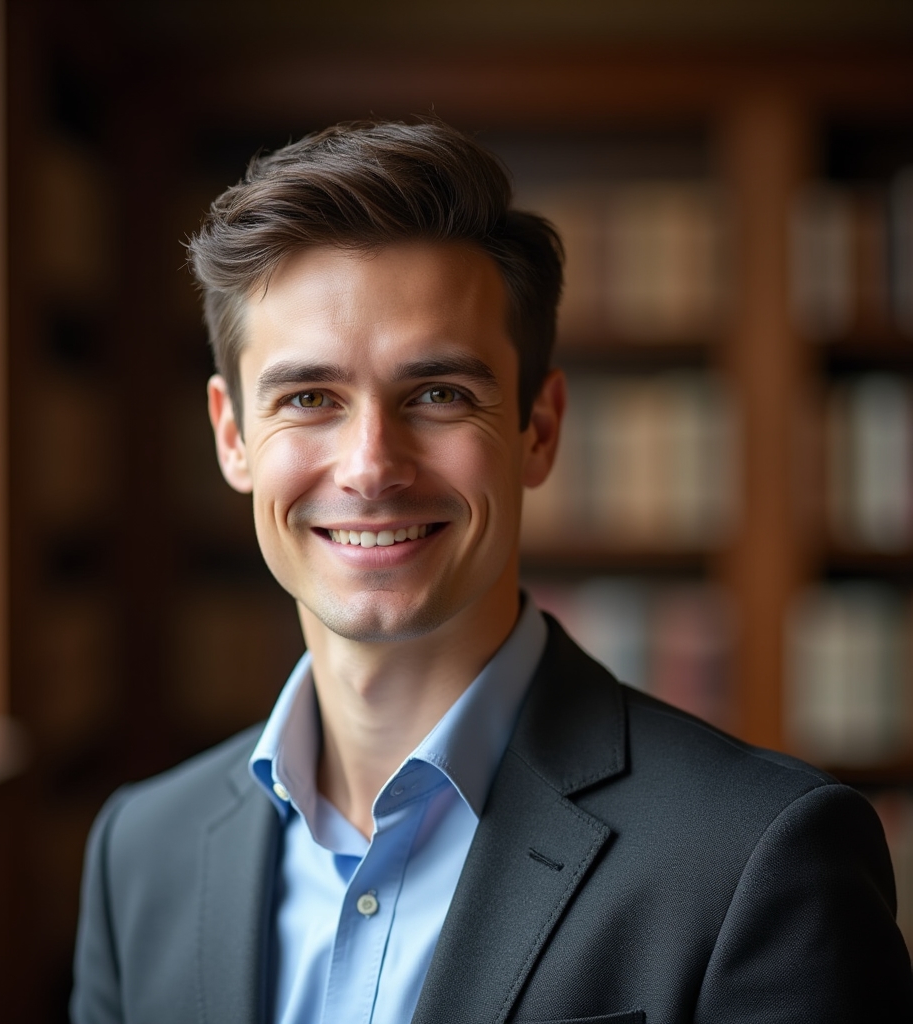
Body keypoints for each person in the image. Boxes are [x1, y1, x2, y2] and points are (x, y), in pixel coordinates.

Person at [70, 119, 913, 1024]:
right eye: (308, 398)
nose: (370, 465)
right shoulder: (138, 852)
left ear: (539, 430)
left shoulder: (759, 858)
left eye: (438, 395)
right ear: (233, 435)